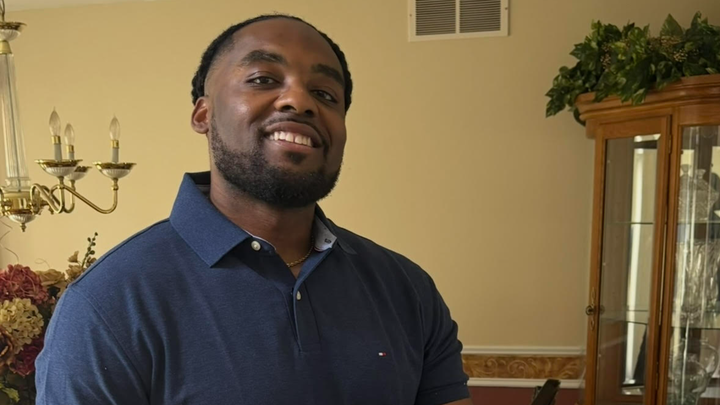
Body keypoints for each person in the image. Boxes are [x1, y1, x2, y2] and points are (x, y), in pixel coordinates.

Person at [35, 14, 471, 405]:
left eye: (324, 93)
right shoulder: (107, 304)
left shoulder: (407, 289)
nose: (300, 101)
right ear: (204, 115)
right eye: (263, 79)